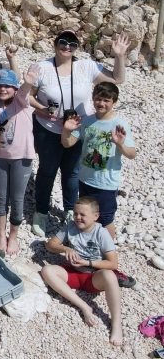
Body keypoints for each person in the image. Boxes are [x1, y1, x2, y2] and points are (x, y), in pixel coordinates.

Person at [28, 31, 130, 236]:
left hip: (80, 130)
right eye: (63, 42)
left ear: (77, 47)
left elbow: (117, 79)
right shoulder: (41, 67)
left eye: (72, 43)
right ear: (55, 43)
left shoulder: (87, 66)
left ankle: (69, 209)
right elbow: (28, 96)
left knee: (72, 172)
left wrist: (119, 56)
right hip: (48, 129)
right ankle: (41, 211)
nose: (67, 46)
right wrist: (43, 109)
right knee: (47, 170)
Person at [40, 197, 123, 346]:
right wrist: (65, 248)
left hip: (92, 277)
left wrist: (88, 262)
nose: (78, 217)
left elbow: (113, 263)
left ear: (95, 216)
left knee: (110, 276)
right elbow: (50, 245)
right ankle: (84, 306)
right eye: (76, 213)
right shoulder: (70, 226)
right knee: (47, 270)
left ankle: (116, 324)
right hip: (72, 272)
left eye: (83, 215)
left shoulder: (101, 233)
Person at [61, 82, 136, 240]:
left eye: (106, 100)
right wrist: (66, 130)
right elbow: (67, 143)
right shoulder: (87, 121)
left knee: (106, 219)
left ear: (114, 102)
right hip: (84, 180)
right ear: (93, 99)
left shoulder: (119, 124)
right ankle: (91, 244)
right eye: (98, 99)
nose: (101, 103)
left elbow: (132, 154)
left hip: (106, 184)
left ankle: (109, 253)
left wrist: (120, 144)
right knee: (87, 215)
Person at [0, 68, 37, 256]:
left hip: (22, 158)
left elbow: (24, 92)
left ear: (14, 88)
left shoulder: (22, 102)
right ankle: (2, 236)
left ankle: (13, 236)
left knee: (17, 199)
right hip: (0, 157)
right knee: (1, 198)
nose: (3, 89)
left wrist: (26, 83)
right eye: (0, 85)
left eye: (8, 86)